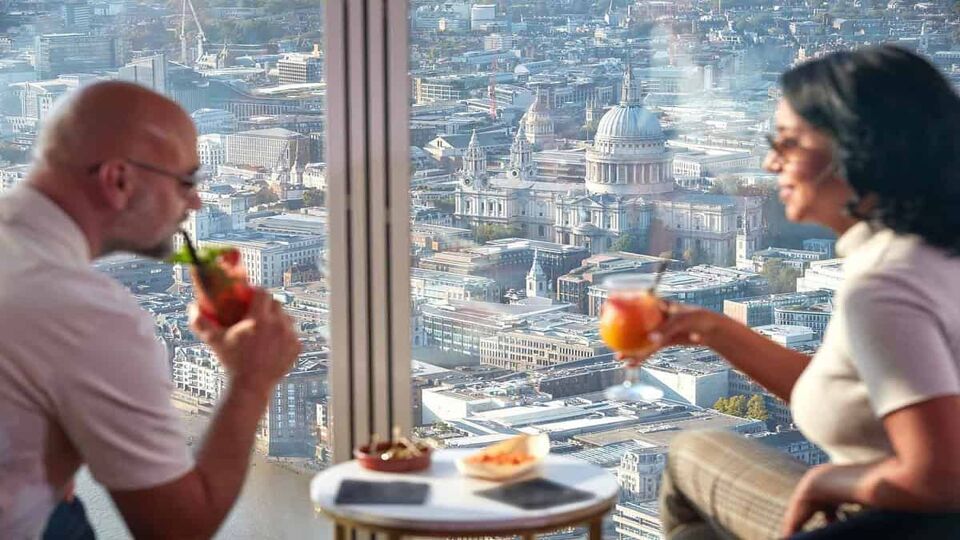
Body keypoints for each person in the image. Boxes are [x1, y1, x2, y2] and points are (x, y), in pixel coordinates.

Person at [629, 45, 960, 539]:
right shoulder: (926, 251)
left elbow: (940, 478)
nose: (768, 164)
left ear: (857, 153)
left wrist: (831, 479)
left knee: (689, 473)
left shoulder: (882, 286)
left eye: (787, 143)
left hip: (885, 519)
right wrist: (714, 329)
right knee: (693, 451)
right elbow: (846, 395)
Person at [0, 81, 302, 538]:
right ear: (118, 179)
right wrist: (252, 379)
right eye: (185, 181)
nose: (196, 201)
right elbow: (178, 529)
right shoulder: (90, 313)